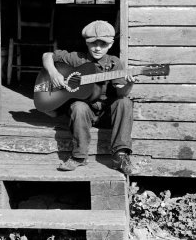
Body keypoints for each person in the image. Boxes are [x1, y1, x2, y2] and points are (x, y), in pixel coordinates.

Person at [42, 20, 137, 174]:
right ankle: (79, 156)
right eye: (94, 43)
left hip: (107, 114)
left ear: (111, 44)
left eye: (103, 44)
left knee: (125, 102)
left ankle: (120, 155)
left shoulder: (114, 64)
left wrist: (129, 84)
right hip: (84, 114)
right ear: (87, 43)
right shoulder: (77, 59)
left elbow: (121, 93)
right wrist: (54, 73)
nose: (98, 48)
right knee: (78, 106)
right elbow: (47, 55)